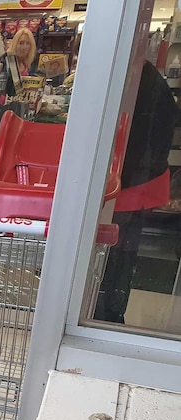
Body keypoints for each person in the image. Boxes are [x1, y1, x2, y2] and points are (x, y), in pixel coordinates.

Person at [94, 59, 179, 324]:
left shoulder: (136, 81)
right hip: (134, 183)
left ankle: (106, 314)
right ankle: (110, 311)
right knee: (121, 255)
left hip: (128, 186)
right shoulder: (144, 77)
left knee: (115, 256)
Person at [3, 28, 37, 96]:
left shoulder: (29, 65)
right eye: (21, 43)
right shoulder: (5, 61)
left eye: (28, 43)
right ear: (15, 43)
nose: (24, 47)